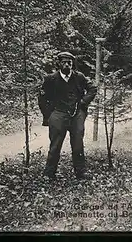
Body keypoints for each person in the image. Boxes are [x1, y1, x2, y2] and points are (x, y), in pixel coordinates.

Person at [38, 51, 97, 180]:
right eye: (63, 62)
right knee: (55, 145)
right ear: (58, 63)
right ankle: (49, 173)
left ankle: (80, 173)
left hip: (76, 115)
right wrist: (49, 115)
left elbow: (92, 88)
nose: (66, 65)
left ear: (72, 64)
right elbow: (42, 99)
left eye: (69, 63)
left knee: (77, 144)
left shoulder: (79, 77)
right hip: (58, 114)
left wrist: (83, 103)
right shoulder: (50, 79)